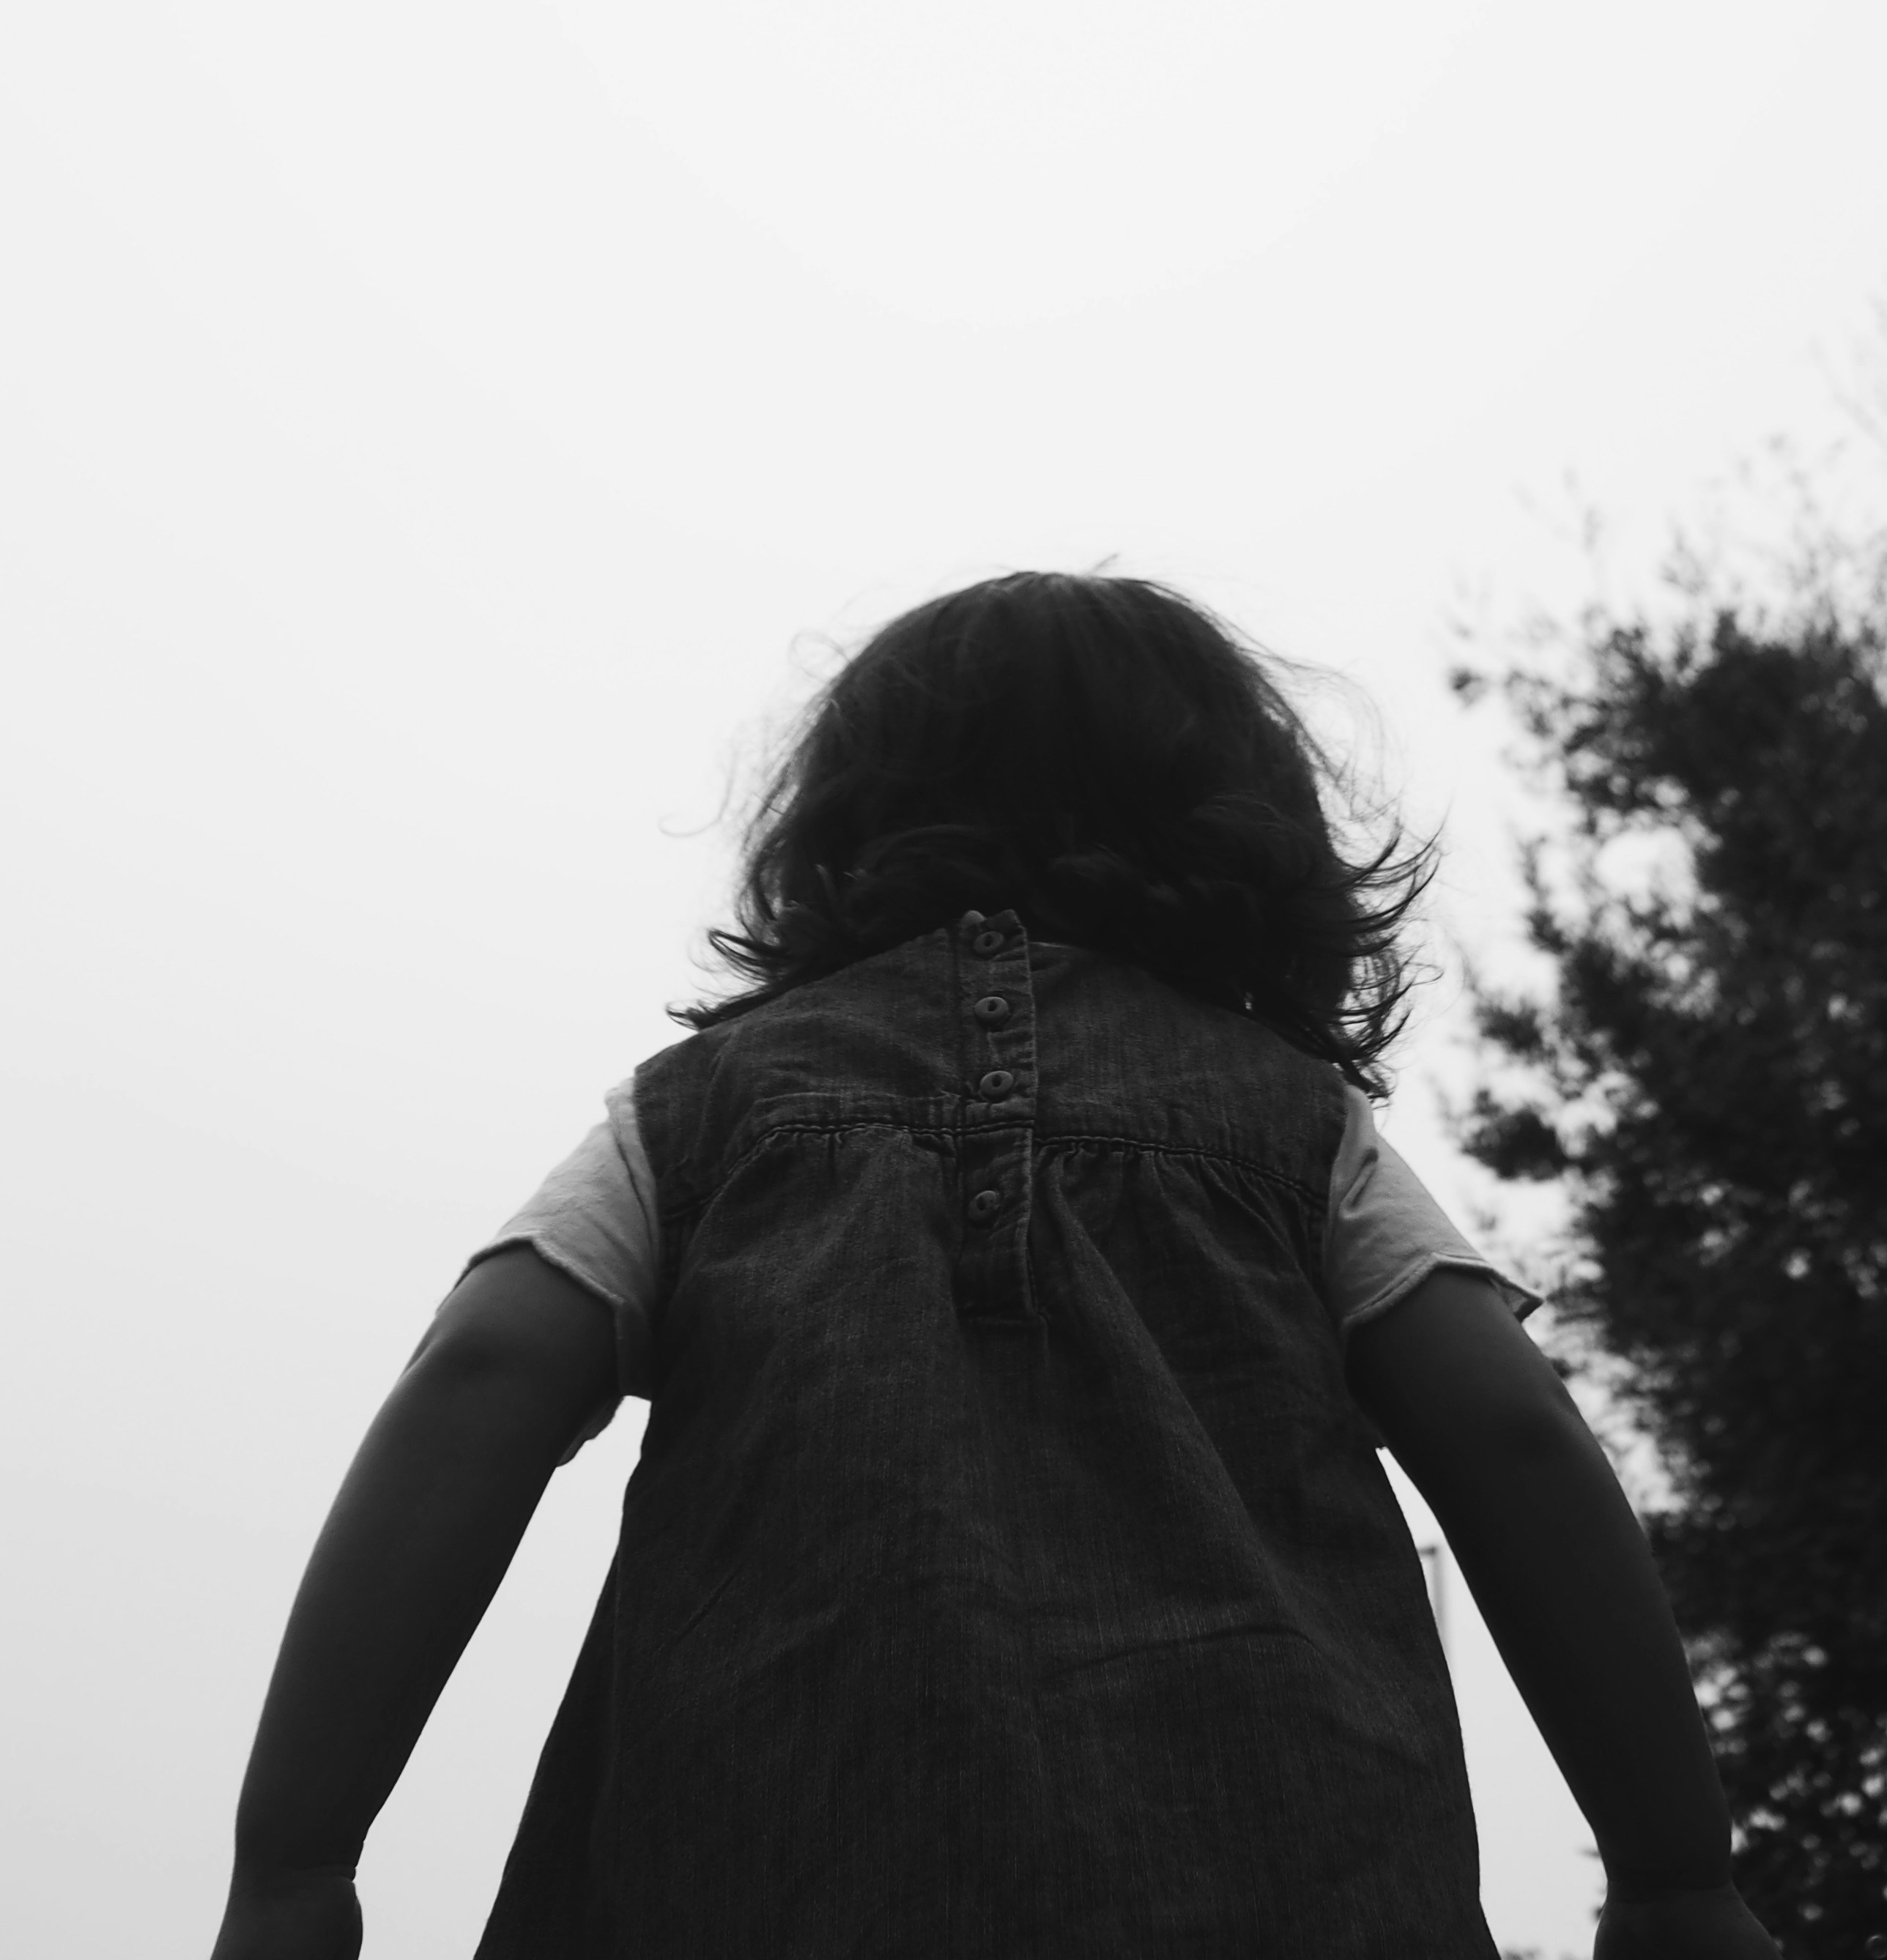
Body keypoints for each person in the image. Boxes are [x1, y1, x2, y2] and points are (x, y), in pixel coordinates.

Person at [209, 571, 1780, 1960]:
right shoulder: (1300, 1138)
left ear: (843, 824)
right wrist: (1674, 1877)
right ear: (1239, 830)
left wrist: (295, 1869)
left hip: (755, 1880)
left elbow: (478, 1378)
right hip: (1285, 1885)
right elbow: (1512, 1437)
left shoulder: (705, 1115)